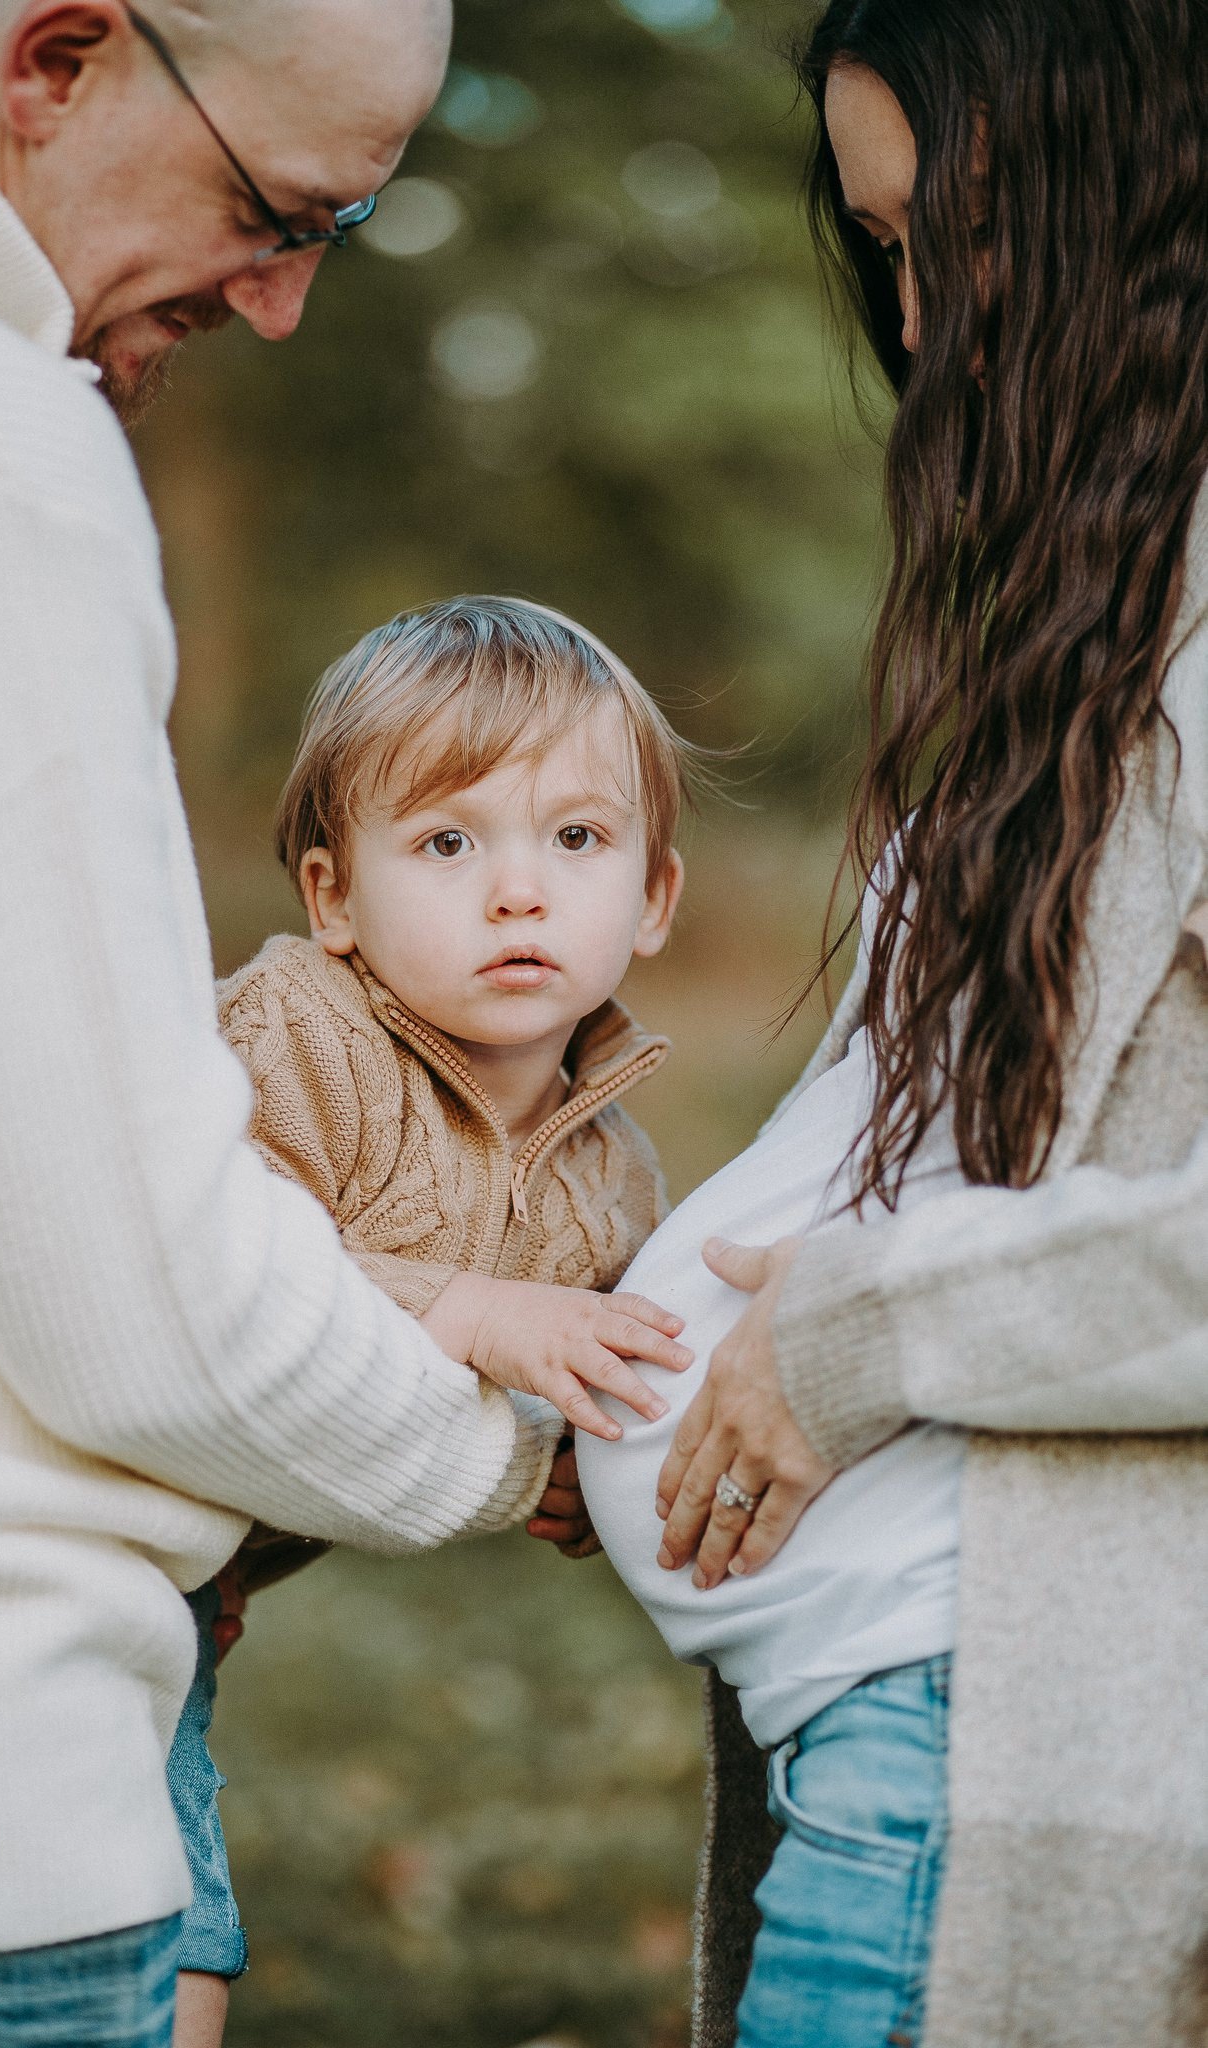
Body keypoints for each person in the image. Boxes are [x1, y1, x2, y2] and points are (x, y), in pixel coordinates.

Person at [0, 4, 678, 2040]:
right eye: (269, 210)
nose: (285, 305)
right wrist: (517, 1464)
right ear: (57, 63)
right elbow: (131, 1293)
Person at [579, 1, 1208, 2044]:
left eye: (948, 234)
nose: (923, 328)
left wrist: (848, 1330)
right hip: (883, 1721)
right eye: (884, 255)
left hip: (1010, 1742)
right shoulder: (1100, 616)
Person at [171, 594, 695, 2045]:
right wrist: (464, 1309)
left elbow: (607, 1373)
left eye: (576, 841)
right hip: (69, 1540)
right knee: (153, 1947)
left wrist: (598, 1463)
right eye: (448, 843)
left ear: (653, 893)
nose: (517, 892)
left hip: (198, 1595)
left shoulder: (612, 1174)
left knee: (167, 1936)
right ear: (333, 896)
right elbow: (195, 1268)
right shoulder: (285, 1043)